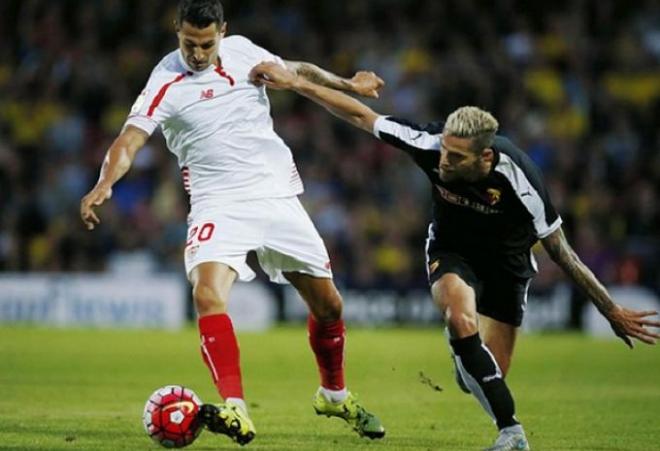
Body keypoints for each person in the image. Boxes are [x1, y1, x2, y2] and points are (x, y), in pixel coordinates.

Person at [248, 61, 660, 451]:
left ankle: (467, 359)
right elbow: (360, 116)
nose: (443, 161)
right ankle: (511, 432)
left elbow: (564, 255)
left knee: (478, 376)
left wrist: (611, 310)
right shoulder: (431, 146)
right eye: (444, 150)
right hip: (451, 250)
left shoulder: (521, 181)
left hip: (507, 266)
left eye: (456, 157)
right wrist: (299, 83)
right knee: (459, 319)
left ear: (485, 157)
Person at [79, 0, 386, 445]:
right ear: (176, 32)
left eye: (206, 43)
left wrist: (347, 82)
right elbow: (129, 139)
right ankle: (235, 408)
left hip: (276, 195)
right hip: (218, 203)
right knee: (207, 294)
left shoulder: (242, 50)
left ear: (223, 31)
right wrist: (105, 182)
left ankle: (334, 396)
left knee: (330, 307)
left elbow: (293, 67)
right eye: (189, 43)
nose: (198, 53)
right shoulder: (164, 81)